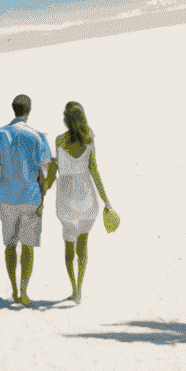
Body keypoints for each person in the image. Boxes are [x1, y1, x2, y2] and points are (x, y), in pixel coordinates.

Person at [0, 93, 53, 306]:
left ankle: (14, 289)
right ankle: (23, 291)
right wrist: (44, 194)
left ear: (13, 109)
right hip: (31, 195)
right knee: (28, 246)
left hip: (7, 196)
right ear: (29, 110)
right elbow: (44, 170)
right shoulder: (38, 136)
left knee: (10, 245)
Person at [43, 99, 112, 303]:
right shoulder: (89, 139)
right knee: (83, 243)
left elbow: (58, 170)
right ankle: (79, 289)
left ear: (65, 120)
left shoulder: (59, 140)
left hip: (66, 197)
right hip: (87, 196)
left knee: (68, 247)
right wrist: (106, 200)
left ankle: (73, 287)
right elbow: (94, 171)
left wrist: (46, 175)